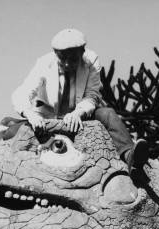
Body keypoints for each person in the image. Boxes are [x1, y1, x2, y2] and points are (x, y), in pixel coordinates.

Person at [11, 28, 149, 185]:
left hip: (80, 115)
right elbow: (21, 93)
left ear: (82, 52)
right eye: (63, 58)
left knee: (108, 114)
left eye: (73, 58)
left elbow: (92, 94)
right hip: (48, 117)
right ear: (55, 53)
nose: (68, 63)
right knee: (13, 130)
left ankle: (129, 155)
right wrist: (31, 115)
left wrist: (78, 112)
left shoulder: (91, 61)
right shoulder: (44, 63)